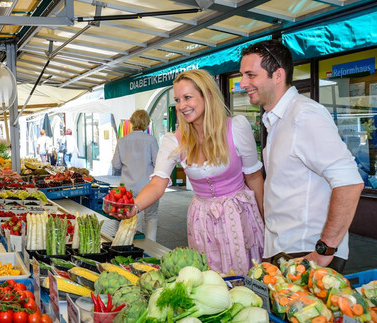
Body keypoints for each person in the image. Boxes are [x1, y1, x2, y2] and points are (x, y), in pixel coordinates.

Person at [113, 69, 265, 275]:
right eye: (177, 99)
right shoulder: (174, 140)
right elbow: (157, 184)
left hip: (237, 216)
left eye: (188, 97)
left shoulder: (236, 127)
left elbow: (254, 177)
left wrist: (267, 223)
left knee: (244, 278)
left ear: (207, 95)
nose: (181, 105)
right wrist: (134, 207)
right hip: (201, 219)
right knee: (206, 280)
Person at [239, 40, 363, 272]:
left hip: (306, 252)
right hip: (284, 249)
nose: (243, 83)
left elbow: (349, 183)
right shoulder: (276, 118)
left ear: (278, 75)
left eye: (250, 75)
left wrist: (324, 251)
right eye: (242, 75)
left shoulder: (304, 115)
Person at [111, 110, 160, 241]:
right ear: (146, 123)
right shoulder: (151, 140)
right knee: (151, 217)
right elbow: (158, 163)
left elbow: (115, 165)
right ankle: (150, 248)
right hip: (149, 187)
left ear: (132, 121)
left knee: (131, 218)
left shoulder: (122, 141)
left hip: (128, 187)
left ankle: (133, 245)